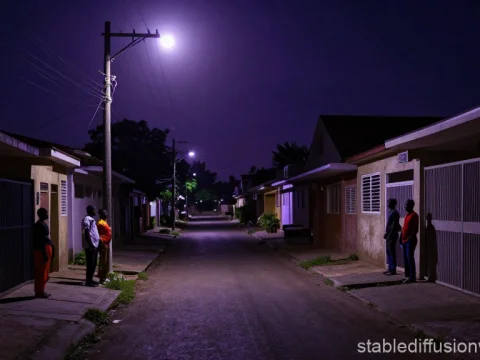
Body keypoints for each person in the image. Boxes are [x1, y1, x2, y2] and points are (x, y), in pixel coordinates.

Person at [33, 208, 54, 298]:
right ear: (41, 214)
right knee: (42, 271)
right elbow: (40, 240)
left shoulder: (41, 224)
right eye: (45, 213)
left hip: (45, 248)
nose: (47, 214)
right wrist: (44, 252)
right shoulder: (39, 225)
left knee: (44, 270)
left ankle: (41, 290)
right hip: (43, 249)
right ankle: (40, 291)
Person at [401, 199, 419, 283]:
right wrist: (401, 237)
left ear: (411, 206)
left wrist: (409, 238)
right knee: (405, 259)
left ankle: (412, 277)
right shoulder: (407, 215)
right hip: (404, 240)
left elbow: (415, 230)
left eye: (407, 205)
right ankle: (407, 276)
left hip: (410, 240)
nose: (405, 207)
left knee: (409, 258)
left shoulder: (414, 215)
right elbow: (404, 227)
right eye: (405, 205)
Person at [82, 205, 100, 287]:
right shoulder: (87, 219)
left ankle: (91, 279)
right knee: (90, 263)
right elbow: (87, 232)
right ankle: (88, 281)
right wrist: (91, 245)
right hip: (90, 246)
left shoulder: (92, 219)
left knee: (94, 263)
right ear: (90, 211)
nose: (95, 211)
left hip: (94, 245)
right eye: (94, 210)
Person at [384, 198, 400, 276]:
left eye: (390, 202)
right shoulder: (391, 212)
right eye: (388, 202)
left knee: (391, 252)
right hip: (389, 235)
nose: (388, 204)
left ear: (394, 204)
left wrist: (388, 235)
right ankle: (390, 268)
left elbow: (393, 226)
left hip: (392, 236)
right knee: (389, 252)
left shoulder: (394, 213)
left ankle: (393, 269)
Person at [97, 209, 112, 284]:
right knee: (103, 262)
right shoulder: (100, 223)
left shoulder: (104, 222)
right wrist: (102, 244)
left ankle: (104, 277)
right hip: (103, 245)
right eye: (104, 213)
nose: (106, 214)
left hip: (106, 244)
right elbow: (99, 235)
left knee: (105, 262)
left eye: (106, 213)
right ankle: (102, 279)